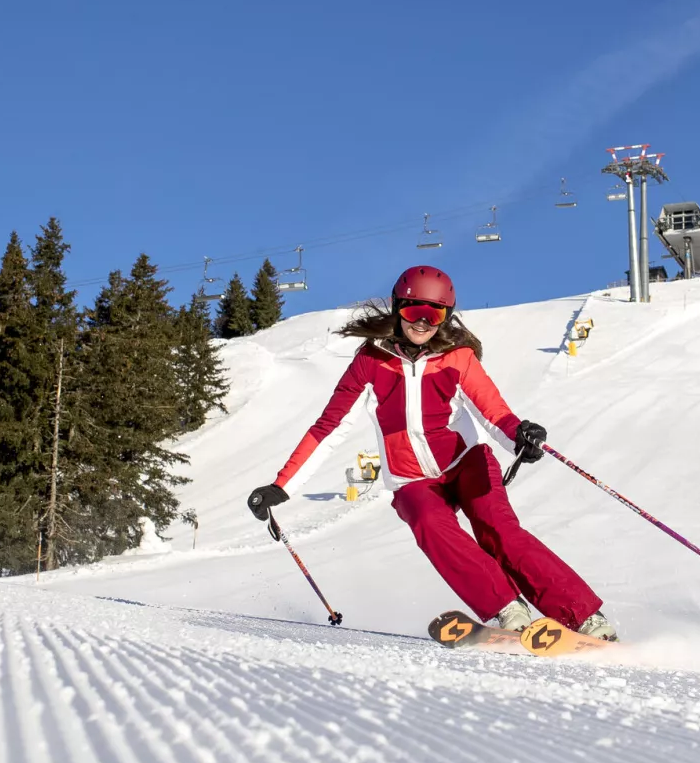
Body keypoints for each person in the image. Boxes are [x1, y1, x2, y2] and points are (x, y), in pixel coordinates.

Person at [247, 265, 616, 640]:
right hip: (411, 478)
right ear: (397, 310)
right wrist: (283, 486)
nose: (421, 323)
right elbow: (329, 427)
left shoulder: (457, 358)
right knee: (428, 522)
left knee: (499, 531)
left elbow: (493, 411)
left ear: (446, 317)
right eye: (412, 312)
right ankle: (508, 609)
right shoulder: (370, 362)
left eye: (433, 314)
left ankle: (586, 618)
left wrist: (518, 436)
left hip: (466, 463)